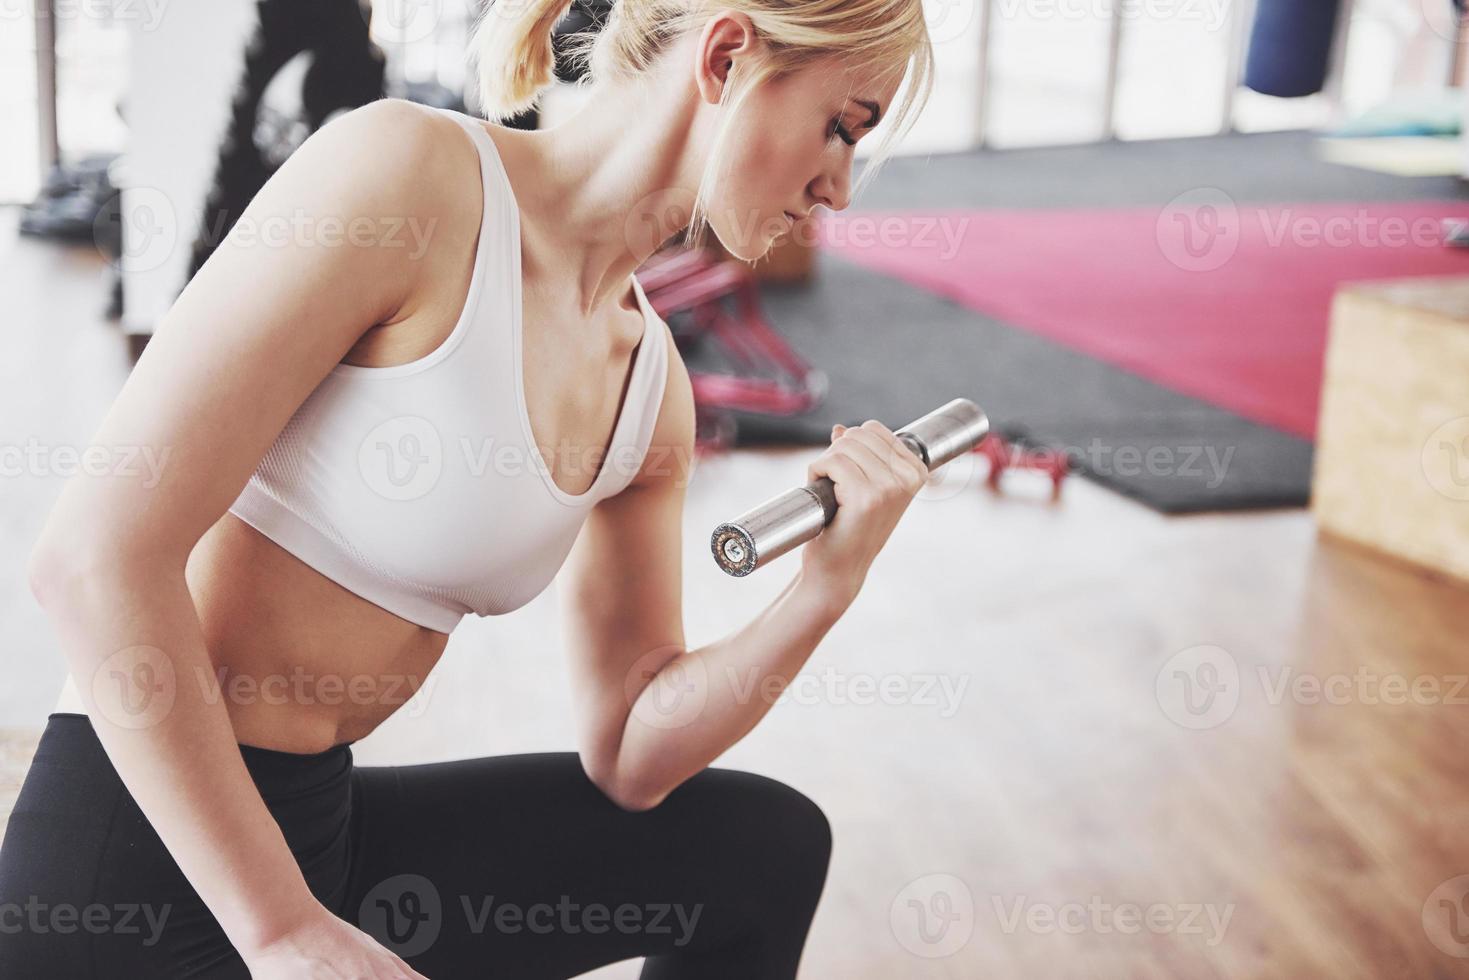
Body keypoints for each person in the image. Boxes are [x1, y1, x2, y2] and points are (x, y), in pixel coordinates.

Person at [0, 0, 935, 974]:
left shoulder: (646, 382)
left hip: (321, 834)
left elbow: (629, 751)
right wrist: (284, 929)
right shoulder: (409, 177)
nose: (837, 189)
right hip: (141, 858)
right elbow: (91, 556)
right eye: (842, 126)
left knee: (762, 849)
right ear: (728, 54)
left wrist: (823, 586)